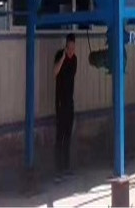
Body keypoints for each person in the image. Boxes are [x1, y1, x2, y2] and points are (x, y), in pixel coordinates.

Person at [53, 33, 77, 176]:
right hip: (61, 103)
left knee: (68, 136)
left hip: (69, 102)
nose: (71, 51)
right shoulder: (60, 55)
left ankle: (66, 167)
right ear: (66, 46)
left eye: (73, 48)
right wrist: (62, 58)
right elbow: (55, 72)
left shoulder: (74, 59)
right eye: (70, 48)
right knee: (60, 136)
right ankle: (58, 169)